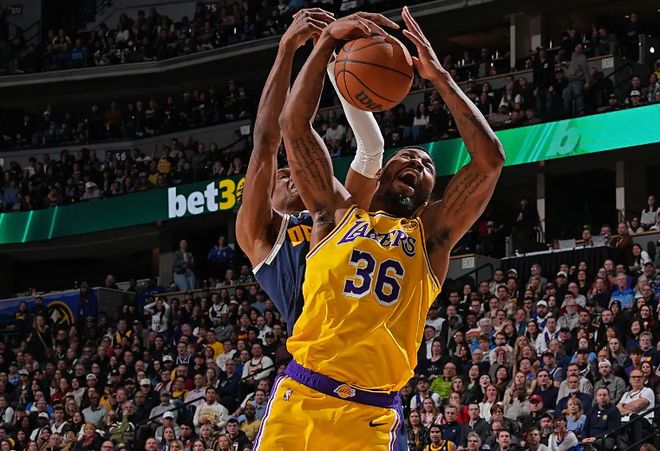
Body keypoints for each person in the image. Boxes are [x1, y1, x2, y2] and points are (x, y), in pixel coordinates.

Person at [254, 7, 504, 450]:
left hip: (371, 416)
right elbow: (293, 126)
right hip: (302, 400)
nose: (419, 164)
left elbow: (489, 162)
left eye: (427, 167)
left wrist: (440, 76)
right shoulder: (336, 215)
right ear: (382, 173)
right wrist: (325, 42)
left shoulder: (430, 239)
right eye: (409, 157)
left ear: (428, 197)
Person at [236, 8, 383, 336]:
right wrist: (286, 50)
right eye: (282, 175)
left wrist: (334, 64)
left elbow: (371, 150)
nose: (290, 174)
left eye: (293, 171)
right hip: (313, 353)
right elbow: (266, 143)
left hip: (365, 348)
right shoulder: (260, 234)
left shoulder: (339, 209)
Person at [616, 369, 655, 444]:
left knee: (634, 416)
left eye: (639, 377)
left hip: (642, 421)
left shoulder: (648, 391)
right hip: (624, 422)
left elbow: (637, 406)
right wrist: (630, 409)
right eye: (634, 377)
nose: (636, 379)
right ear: (630, 380)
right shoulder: (626, 394)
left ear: (643, 379)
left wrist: (623, 406)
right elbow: (617, 410)